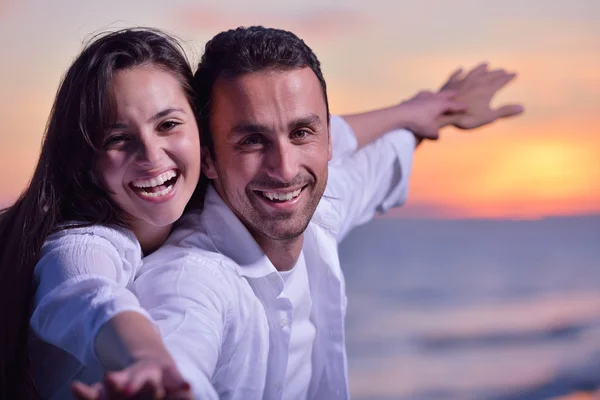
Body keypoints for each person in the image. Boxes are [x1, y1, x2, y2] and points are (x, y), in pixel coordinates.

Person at [0, 27, 501, 399]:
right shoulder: (142, 262)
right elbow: (95, 298)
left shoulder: (318, 196)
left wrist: (423, 111)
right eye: (117, 138)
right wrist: (154, 363)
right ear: (214, 156)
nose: (285, 169)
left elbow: (328, 134)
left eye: (168, 125)